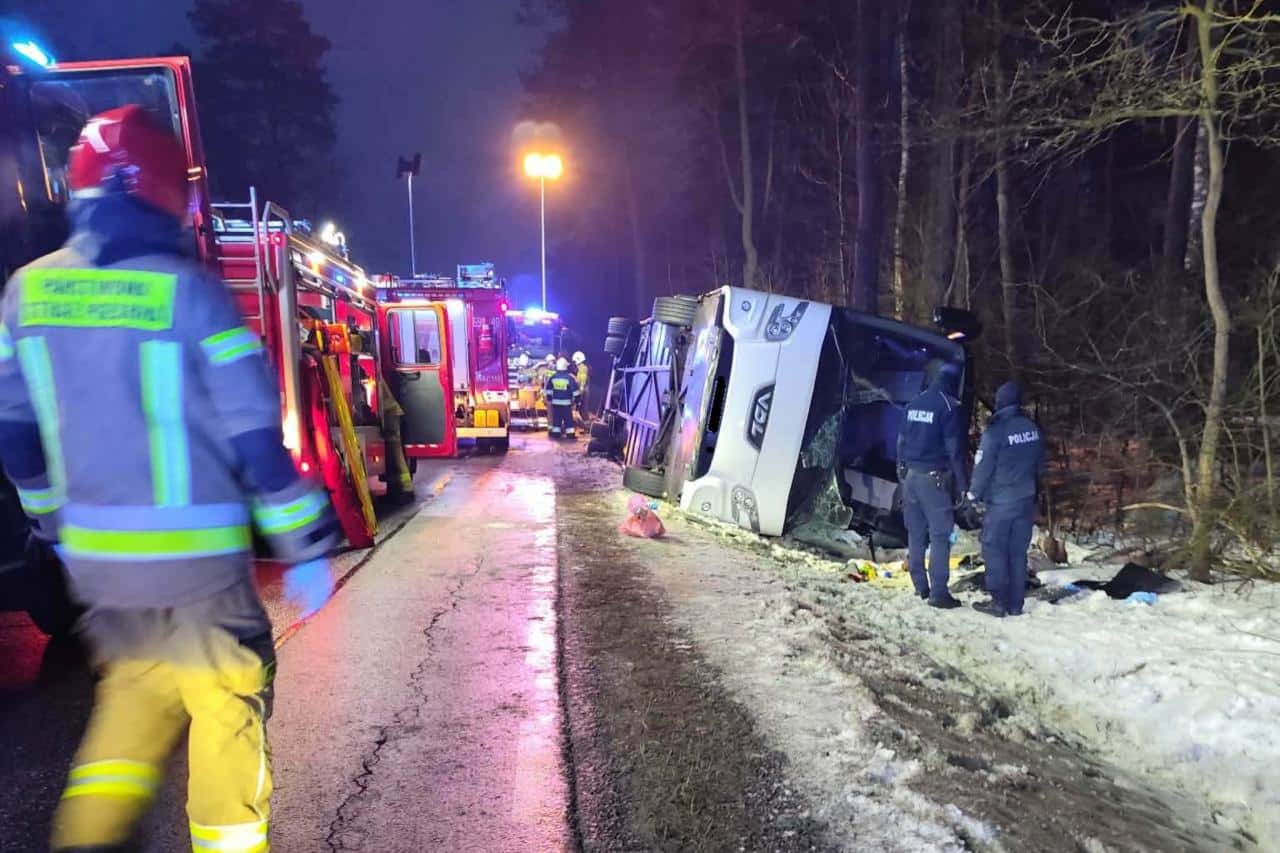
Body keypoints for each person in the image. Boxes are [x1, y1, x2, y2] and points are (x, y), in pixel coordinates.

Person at [0, 106, 339, 853]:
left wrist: (53, 527)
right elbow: (255, 435)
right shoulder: (191, 295)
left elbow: (15, 433)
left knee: (133, 697)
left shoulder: (27, 293)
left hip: (101, 570)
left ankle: (81, 842)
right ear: (165, 193)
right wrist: (306, 542)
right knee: (227, 704)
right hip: (198, 572)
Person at [968, 381, 1046, 617]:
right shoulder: (1032, 428)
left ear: (1000, 402)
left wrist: (973, 494)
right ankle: (1015, 603)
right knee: (1017, 551)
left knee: (994, 549)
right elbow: (1040, 464)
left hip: (1002, 500)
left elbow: (983, 467)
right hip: (1026, 498)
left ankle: (998, 602)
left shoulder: (996, 431)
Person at [896, 359, 968, 609]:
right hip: (933, 479)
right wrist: (962, 485)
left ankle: (920, 586)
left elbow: (901, 442)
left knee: (916, 532)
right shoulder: (948, 406)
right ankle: (939, 592)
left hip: (911, 478)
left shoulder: (913, 404)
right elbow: (954, 450)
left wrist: (901, 470)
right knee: (940, 534)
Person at [545, 356, 580, 438]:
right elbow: (575, 391)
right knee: (568, 419)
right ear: (566, 366)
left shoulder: (553, 377)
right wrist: (577, 399)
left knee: (556, 419)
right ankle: (570, 434)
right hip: (566, 403)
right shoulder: (569, 378)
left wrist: (549, 398)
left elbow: (549, 389)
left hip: (555, 403)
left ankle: (556, 433)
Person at [572, 350, 590, 422]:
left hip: (583, 390)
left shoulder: (583, 368)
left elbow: (583, 381)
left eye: (575, 361)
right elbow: (579, 380)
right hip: (582, 389)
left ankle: (586, 424)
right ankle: (584, 423)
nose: (574, 363)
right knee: (581, 407)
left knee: (583, 408)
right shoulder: (580, 369)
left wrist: (580, 391)